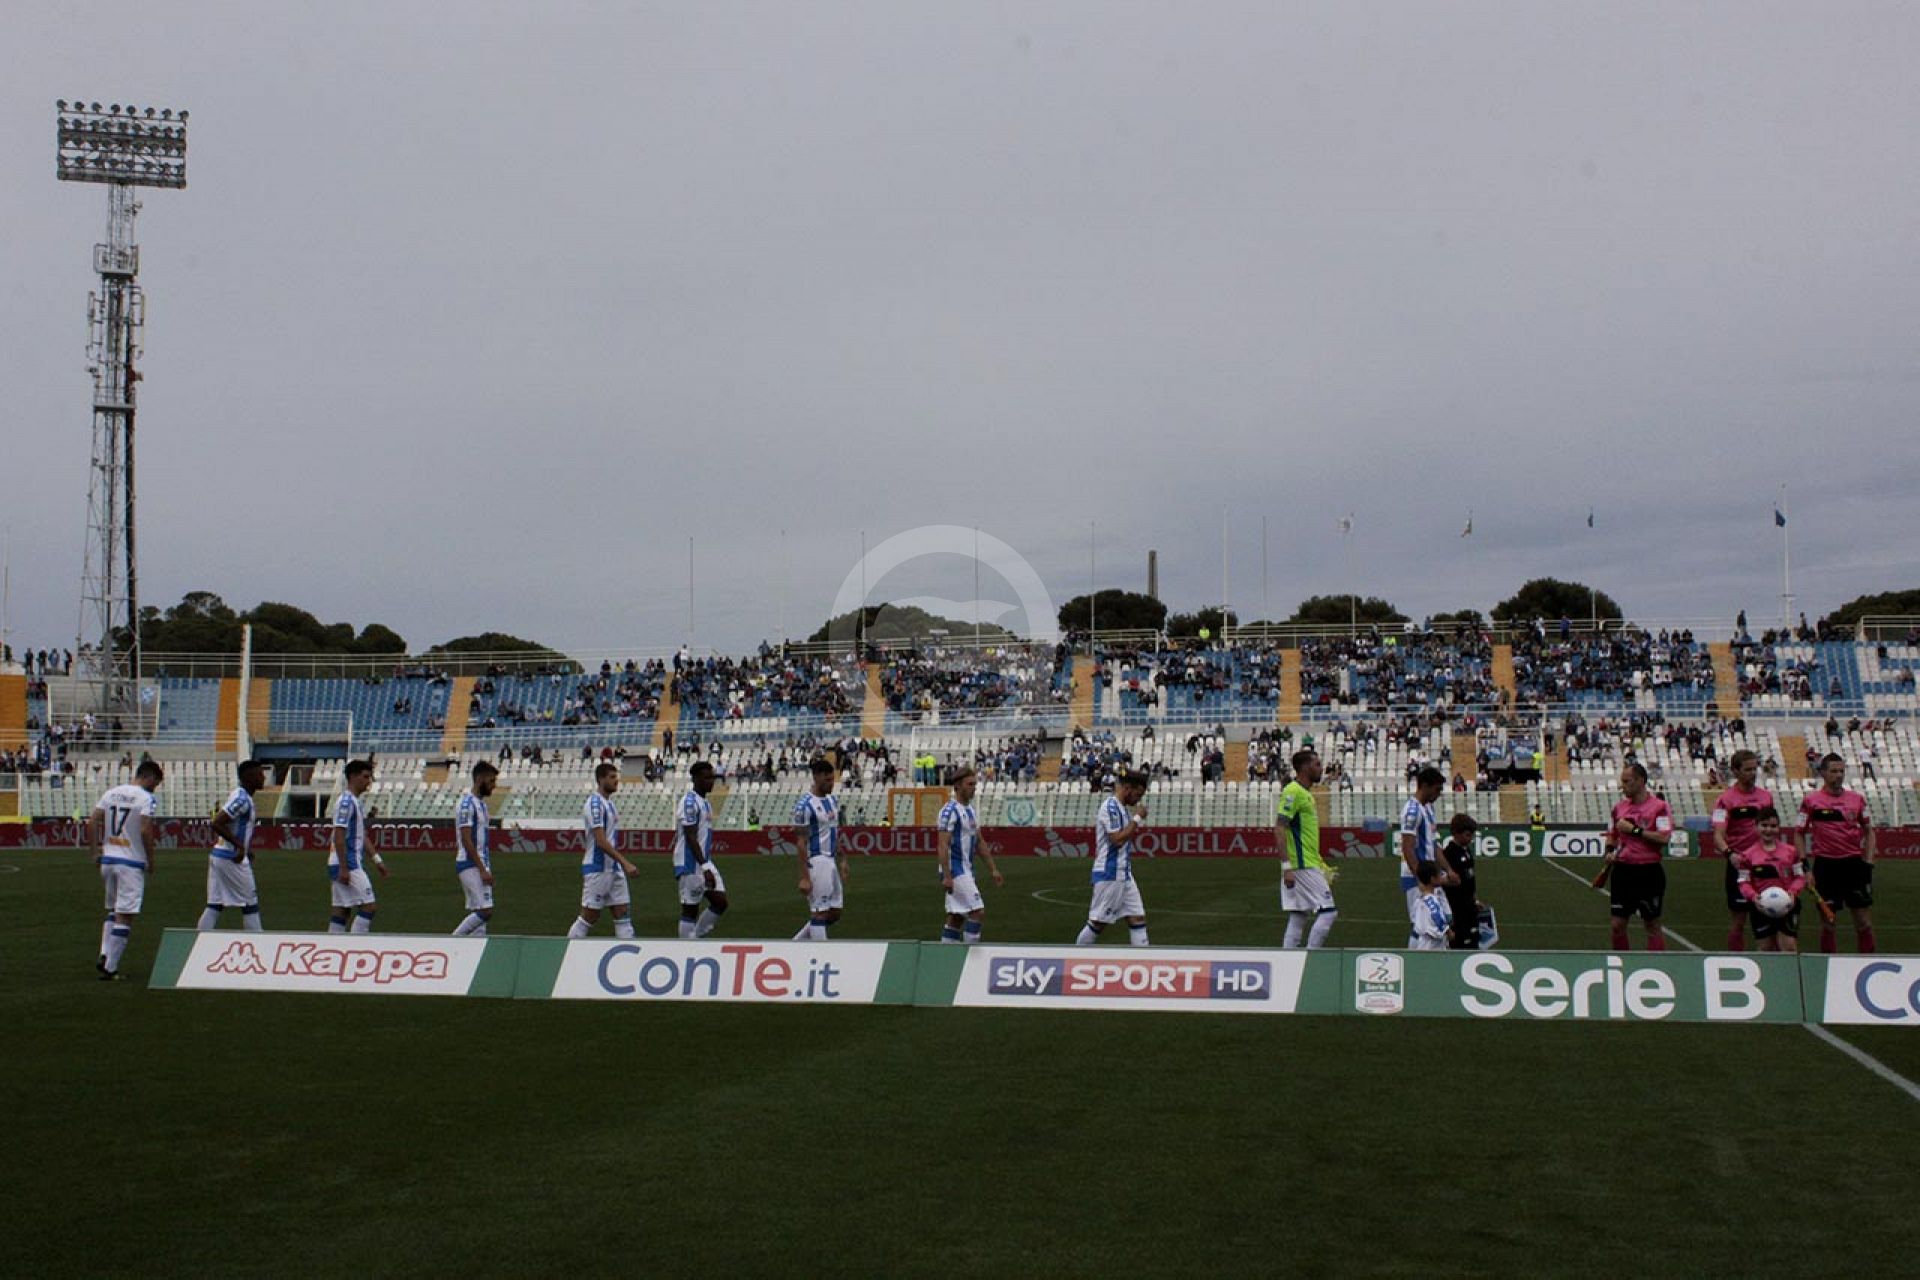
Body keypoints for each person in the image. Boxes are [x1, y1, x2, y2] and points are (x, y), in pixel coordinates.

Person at [1798, 753, 1877, 954]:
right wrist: (1805, 868)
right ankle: (1828, 965)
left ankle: (1867, 963)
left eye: (1841, 771)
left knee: (1864, 922)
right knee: (1829, 922)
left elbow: (1869, 831)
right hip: (1825, 867)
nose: (1839, 775)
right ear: (1823, 773)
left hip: (1853, 866)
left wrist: (1868, 864)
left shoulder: (1857, 799)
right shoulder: (1810, 801)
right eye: (1834, 771)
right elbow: (1798, 834)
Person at [92, 760, 162, 980]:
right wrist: (150, 858)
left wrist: (95, 851)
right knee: (126, 915)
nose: (155, 788)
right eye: (156, 783)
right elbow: (145, 829)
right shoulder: (145, 798)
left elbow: (93, 820)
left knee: (114, 910)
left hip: (109, 859)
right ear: (149, 777)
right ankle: (110, 968)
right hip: (130, 862)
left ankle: (105, 953)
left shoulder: (111, 793)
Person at [1597, 762, 1673, 950]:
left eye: (1626, 781)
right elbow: (1612, 835)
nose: (1622, 786)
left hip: (1649, 871)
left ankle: (1657, 966)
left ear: (1640, 781)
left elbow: (1664, 838)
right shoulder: (1618, 808)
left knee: (1652, 925)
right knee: (1617, 925)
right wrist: (1609, 852)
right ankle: (1623, 963)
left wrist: (1635, 830)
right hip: (1623, 872)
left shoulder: (1660, 807)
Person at [1076, 770, 1151, 946]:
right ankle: (1075, 955)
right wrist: (1137, 818)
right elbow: (1116, 839)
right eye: (1137, 795)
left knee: (1137, 918)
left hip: (1124, 873)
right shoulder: (1110, 807)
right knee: (1097, 923)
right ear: (1127, 788)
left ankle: (1142, 960)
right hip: (1110, 872)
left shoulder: (1121, 808)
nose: (1138, 800)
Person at [1711, 749, 1772, 951]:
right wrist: (1730, 854)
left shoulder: (1766, 797)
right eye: (1748, 769)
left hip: (1765, 865)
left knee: (1769, 917)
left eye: (1755, 769)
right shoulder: (1725, 800)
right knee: (1738, 921)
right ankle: (1736, 959)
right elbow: (1718, 834)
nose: (1753, 773)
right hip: (1740, 866)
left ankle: (1768, 960)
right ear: (1735, 771)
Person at [569, 762, 638, 938]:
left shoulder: (610, 804)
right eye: (612, 777)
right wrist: (625, 863)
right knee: (589, 916)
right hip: (598, 868)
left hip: (613, 868)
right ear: (601, 780)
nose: (616, 781)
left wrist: (619, 864)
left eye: (616, 777)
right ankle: (567, 948)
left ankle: (628, 951)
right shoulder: (594, 804)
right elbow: (600, 841)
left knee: (622, 913)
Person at [937, 765, 1003, 944]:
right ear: (958, 786)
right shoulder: (949, 811)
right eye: (970, 784)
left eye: (975, 784)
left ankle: (946, 953)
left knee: (957, 916)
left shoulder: (971, 811)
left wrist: (993, 869)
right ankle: (971, 954)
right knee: (977, 911)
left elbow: (980, 842)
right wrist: (947, 876)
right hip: (955, 870)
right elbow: (942, 844)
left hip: (966, 869)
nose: (974, 788)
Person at [1277, 749, 1336, 948]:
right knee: (1328, 912)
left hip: (1307, 862)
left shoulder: (1305, 793)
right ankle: (1311, 956)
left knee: (1298, 916)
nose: (1321, 768)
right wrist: (1286, 867)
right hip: (1301, 865)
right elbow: (1279, 827)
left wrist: (1321, 864)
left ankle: (1288, 959)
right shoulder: (1293, 792)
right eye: (1317, 764)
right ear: (1304, 768)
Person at [198, 759, 266, 932]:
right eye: (260, 774)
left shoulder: (239, 795)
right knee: (250, 903)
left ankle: (197, 939)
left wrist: (245, 848)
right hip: (232, 858)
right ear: (249, 777)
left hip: (220, 854)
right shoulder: (242, 800)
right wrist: (240, 846)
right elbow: (217, 822)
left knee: (215, 904)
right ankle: (256, 941)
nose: (263, 777)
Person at [327, 760, 387, 933]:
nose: (369, 781)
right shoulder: (346, 802)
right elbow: (339, 835)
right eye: (365, 777)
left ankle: (332, 944)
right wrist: (344, 867)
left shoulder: (355, 802)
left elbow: (362, 836)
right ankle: (357, 944)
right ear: (353, 777)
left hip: (342, 862)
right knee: (369, 907)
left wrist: (377, 860)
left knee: (341, 910)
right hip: (348, 863)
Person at [1736, 807, 1806, 954]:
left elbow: (1800, 877)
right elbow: (1743, 881)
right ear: (1756, 827)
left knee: (1789, 947)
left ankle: (1789, 970)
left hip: (1788, 906)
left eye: (1773, 826)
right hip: (1761, 907)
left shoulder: (1791, 852)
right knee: (1765, 949)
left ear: (1778, 828)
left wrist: (1793, 892)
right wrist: (1753, 897)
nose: (1768, 830)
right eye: (1764, 825)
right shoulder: (1747, 855)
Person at [673, 761, 728, 938]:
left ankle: (694, 938)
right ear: (695, 779)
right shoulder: (689, 802)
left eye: (712, 777)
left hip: (703, 861)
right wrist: (704, 866)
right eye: (706, 778)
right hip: (690, 862)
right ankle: (686, 945)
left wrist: (705, 864)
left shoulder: (704, 803)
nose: (711, 781)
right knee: (690, 908)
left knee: (720, 902)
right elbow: (690, 836)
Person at [793, 758, 847, 940]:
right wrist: (804, 877)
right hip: (816, 861)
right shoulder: (804, 806)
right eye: (827, 780)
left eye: (832, 780)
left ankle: (796, 944)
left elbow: (833, 831)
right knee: (819, 912)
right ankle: (820, 952)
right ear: (816, 777)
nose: (831, 784)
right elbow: (801, 842)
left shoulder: (832, 800)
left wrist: (842, 859)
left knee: (834, 912)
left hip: (830, 860)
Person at [1398, 766, 1450, 945]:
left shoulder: (1428, 808)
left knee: (1443, 917)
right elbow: (1407, 847)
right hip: (1417, 877)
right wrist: (1420, 878)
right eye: (1437, 789)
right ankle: (1414, 958)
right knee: (1420, 924)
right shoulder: (1412, 811)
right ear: (1425, 786)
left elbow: (1433, 844)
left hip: (1429, 874)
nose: (1439, 794)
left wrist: (1448, 870)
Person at [452, 761, 498, 937]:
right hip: (469, 864)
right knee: (485, 911)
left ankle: (475, 947)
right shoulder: (467, 804)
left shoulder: (482, 805)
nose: (494, 786)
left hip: (480, 863)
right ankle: (451, 941)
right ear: (480, 779)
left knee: (480, 917)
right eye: (491, 781)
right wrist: (482, 869)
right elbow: (466, 839)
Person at [1439, 812, 1480, 950]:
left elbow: (1470, 879)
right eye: (1467, 835)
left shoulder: (1467, 851)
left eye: (1472, 835)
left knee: (1474, 940)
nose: (1470, 839)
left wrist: (1475, 900)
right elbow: (1445, 881)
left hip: (1469, 906)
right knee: (1459, 942)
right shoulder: (1449, 853)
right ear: (1456, 833)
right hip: (1456, 907)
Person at [1408, 862, 1453, 950]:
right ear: (1433, 879)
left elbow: (1414, 921)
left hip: (1421, 942)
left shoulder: (1418, 901)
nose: (1442, 877)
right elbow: (1438, 918)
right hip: (1432, 946)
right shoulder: (1432, 900)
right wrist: (1449, 932)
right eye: (1440, 875)